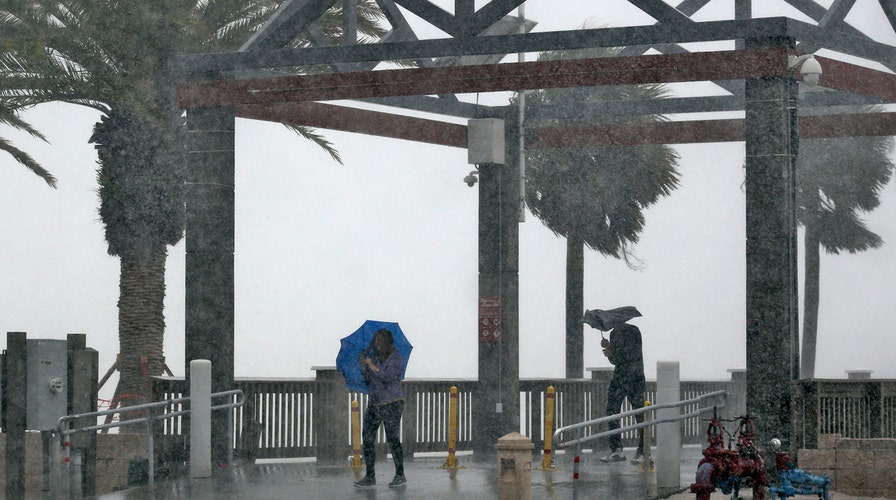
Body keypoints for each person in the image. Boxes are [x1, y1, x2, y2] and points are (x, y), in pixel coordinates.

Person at [354, 328, 407, 489]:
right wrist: (364, 367)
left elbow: (388, 377)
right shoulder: (375, 358)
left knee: (392, 438)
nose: (377, 344)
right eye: (375, 341)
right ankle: (370, 476)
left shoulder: (396, 357)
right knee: (368, 438)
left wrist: (371, 365)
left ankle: (400, 474)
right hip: (375, 402)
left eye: (380, 340)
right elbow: (369, 381)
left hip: (392, 402)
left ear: (387, 342)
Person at [600, 320, 647, 463]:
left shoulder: (634, 331)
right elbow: (616, 360)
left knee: (639, 413)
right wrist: (609, 351)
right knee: (612, 411)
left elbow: (631, 355)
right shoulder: (613, 334)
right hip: (619, 377)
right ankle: (616, 449)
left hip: (635, 378)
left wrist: (612, 350)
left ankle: (644, 450)